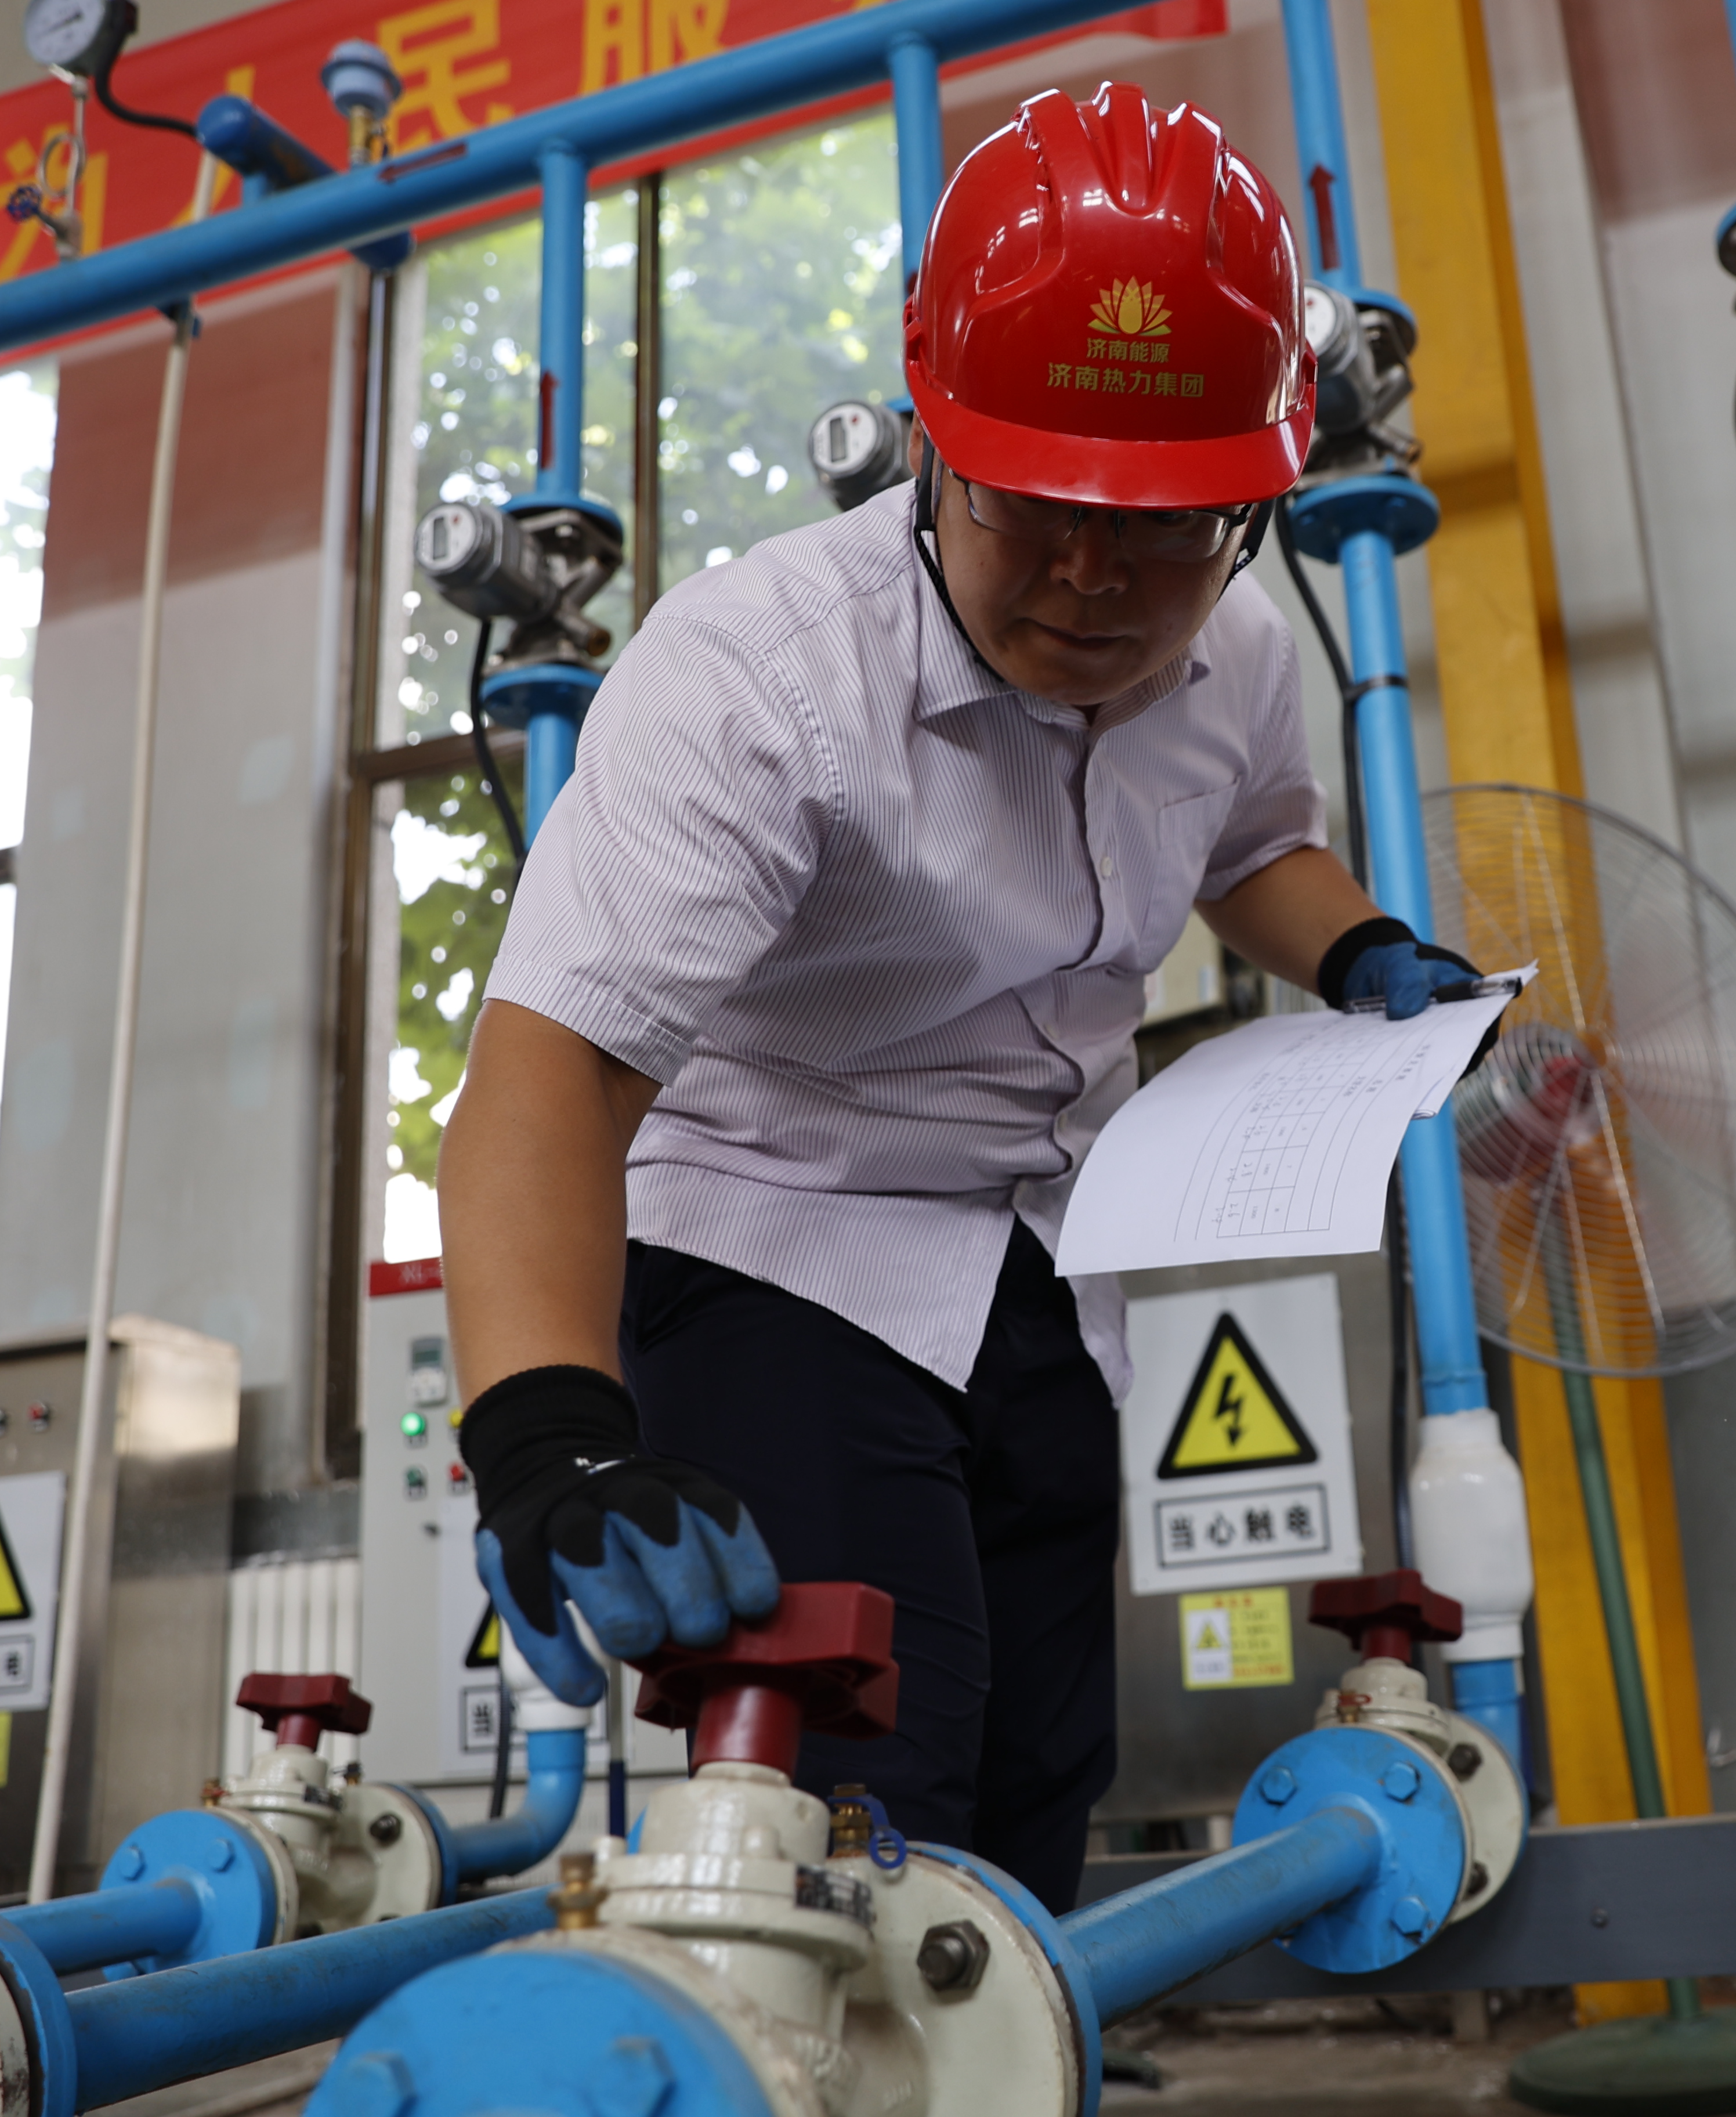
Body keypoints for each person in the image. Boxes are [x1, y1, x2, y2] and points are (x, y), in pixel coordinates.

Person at [436, 83, 1475, 1914]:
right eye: (1036, 504)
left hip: (1041, 1255)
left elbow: (1255, 846)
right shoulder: (763, 677)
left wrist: (1362, 952)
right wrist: (546, 1431)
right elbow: (559, 1073)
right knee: (872, 1786)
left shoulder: (1232, 649)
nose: (1092, 577)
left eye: (1165, 524)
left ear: (1253, 499)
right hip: (775, 1234)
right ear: (930, 438)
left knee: (1040, 1777)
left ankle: (1008, 2035)